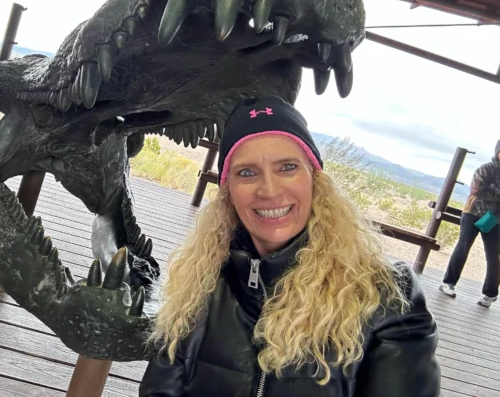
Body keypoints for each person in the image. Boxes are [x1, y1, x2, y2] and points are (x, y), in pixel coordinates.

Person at [139, 96, 441, 397]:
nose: (269, 190)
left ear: (315, 179)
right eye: (247, 172)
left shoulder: (387, 295)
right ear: (228, 190)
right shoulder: (197, 281)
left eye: (287, 167)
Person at [440, 140, 500, 307]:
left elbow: (487, 191)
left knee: (494, 255)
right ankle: (448, 283)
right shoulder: (485, 169)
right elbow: (477, 190)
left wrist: (493, 191)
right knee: (463, 247)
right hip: (473, 212)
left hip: (494, 217)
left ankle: (490, 294)